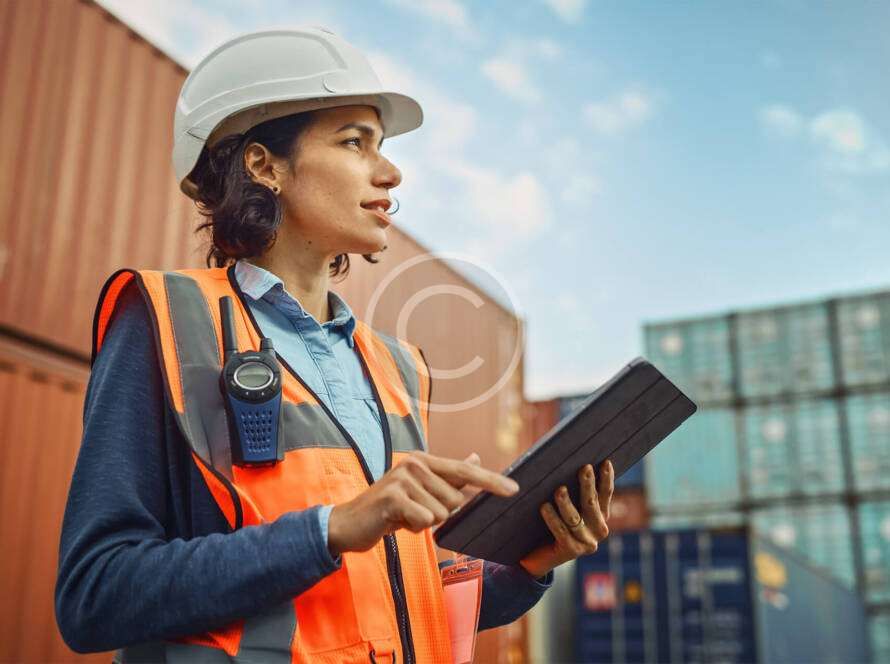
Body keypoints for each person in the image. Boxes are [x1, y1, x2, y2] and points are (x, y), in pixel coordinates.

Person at [54, 27, 615, 663]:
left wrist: (528, 566)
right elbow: (93, 596)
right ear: (266, 165)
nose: (392, 170)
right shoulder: (165, 320)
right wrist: (332, 527)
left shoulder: (397, 368)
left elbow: (389, 605)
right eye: (355, 142)